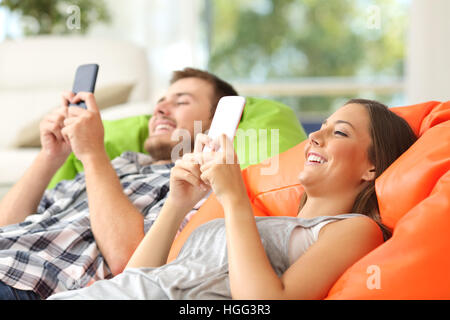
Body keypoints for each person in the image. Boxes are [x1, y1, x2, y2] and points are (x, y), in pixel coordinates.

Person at [47, 98, 417, 300]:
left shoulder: (356, 229)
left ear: (372, 167)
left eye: (339, 132)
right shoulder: (258, 220)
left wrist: (234, 198)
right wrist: (177, 205)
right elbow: (139, 277)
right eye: (320, 126)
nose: (315, 137)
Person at [0, 67, 238, 300]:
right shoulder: (119, 164)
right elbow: (6, 225)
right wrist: (50, 156)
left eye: (181, 102)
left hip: (26, 283)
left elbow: (132, 269)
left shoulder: (197, 188)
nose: (160, 109)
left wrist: (93, 153)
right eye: (160, 101)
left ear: (214, 123)